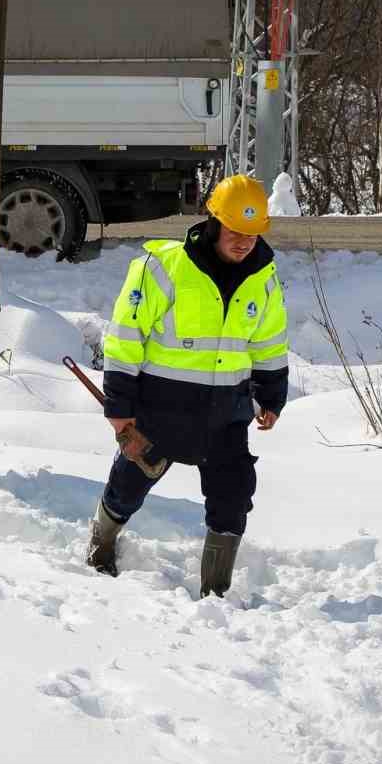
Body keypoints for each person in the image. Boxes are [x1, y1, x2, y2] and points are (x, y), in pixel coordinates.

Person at [86, 174, 289, 598]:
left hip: (227, 414)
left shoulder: (264, 278)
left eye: (252, 234)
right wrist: (120, 407)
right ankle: (101, 543)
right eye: (235, 231)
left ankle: (215, 591)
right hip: (160, 410)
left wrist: (271, 395)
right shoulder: (161, 268)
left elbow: (269, 340)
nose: (244, 242)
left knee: (233, 500)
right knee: (128, 485)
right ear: (214, 222)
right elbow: (125, 339)